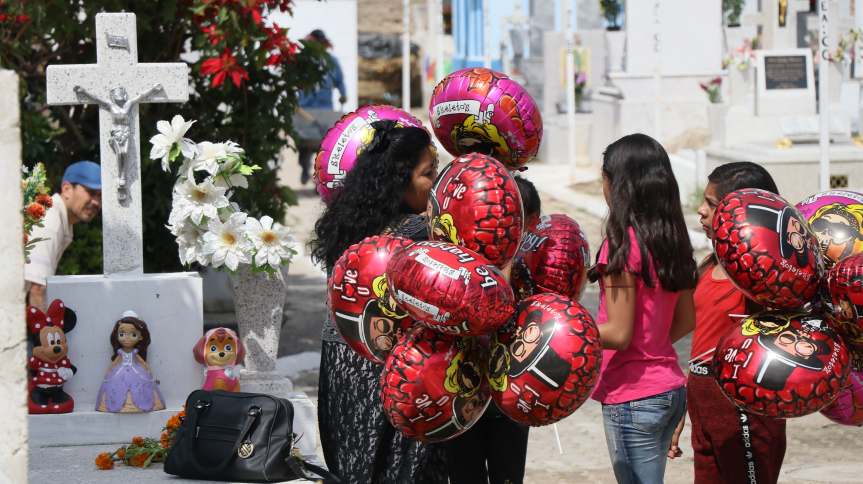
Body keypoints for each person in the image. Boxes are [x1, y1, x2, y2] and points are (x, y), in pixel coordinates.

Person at [309, 120, 447, 484]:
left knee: (353, 469)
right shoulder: (419, 232)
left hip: (342, 363)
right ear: (400, 179)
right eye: (428, 174)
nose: (435, 183)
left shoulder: (345, 226)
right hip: (394, 368)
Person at [668, 162, 787, 484]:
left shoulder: (763, 280)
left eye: (711, 203)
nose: (701, 210)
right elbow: (694, 341)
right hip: (703, 398)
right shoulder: (708, 266)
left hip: (744, 403)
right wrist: (682, 405)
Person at [589, 133, 696, 484]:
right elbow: (686, 320)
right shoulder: (673, 240)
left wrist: (568, 331)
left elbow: (618, 333)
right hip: (669, 389)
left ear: (616, 184)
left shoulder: (620, 247)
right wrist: (651, 345)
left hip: (632, 395)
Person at [442, 174, 540, 484]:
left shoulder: (524, 269)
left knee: (506, 475)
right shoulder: (460, 263)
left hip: (507, 398)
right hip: (463, 393)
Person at [25, 161, 102, 311]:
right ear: (66, 189)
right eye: (91, 192)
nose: (96, 202)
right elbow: (37, 290)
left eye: (100, 196)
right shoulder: (50, 221)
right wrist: (45, 325)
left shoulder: (57, 218)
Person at [296, 29, 348, 185]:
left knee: (323, 148)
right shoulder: (302, 61)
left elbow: (339, 81)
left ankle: (318, 178)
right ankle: (304, 167)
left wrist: (343, 94)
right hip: (305, 110)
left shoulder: (331, 62)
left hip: (325, 110)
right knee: (303, 146)